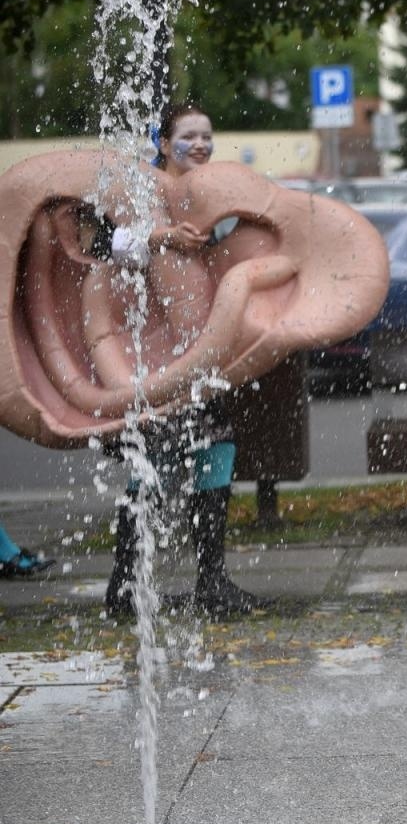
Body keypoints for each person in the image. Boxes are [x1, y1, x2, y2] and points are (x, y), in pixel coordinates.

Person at [101, 102, 266, 618]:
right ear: (163, 142)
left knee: (216, 446)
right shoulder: (143, 190)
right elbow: (101, 243)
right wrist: (161, 237)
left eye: (206, 136)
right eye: (188, 136)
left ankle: (211, 579)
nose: (200, 144)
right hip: (153, 357)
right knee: (154, 462)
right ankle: (125, 586)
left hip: (200, 354)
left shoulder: (206, 194)